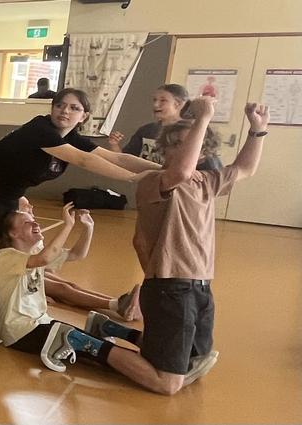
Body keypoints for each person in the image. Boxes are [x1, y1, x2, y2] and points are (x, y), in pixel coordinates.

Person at [0, 87, 162, 343]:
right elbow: (84, 161)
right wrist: (134, 179)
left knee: (4, 256)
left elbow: (116, 158)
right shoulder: (40, 129)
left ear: (84, 116)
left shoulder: (71, 137)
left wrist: (163, 170)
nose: (65, 111)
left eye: (74, 108)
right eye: (60, 105)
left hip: (8, 194)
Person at [86, 99, 267, 395]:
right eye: (174, 145)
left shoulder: (206, 181)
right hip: (170, 286)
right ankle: (87, 344)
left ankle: (111, 330)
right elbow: (180, 172)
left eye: (189, 144)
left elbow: (244, 168)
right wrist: (203, 119)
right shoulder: (155, 181)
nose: (181, 150)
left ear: (203, 152)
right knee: (168, 383)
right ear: (164, 150)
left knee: (196, 358)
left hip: (201, 283)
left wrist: (257, 131)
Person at [0, 204, 218, 395]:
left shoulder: (32, 253)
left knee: (108, 331)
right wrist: (68, 225)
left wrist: (88, 228)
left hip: (40, 323)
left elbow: (77, 254)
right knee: (93, 345)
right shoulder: (7, 257)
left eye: (34, 219)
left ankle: (167, 358)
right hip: (21, 332)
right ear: (13, 234)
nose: (35, 223)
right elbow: (47, 257)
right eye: (27, 222)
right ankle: (165, 379)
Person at [108, 84, 222, 171]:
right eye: (154, 100)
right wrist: (114, 145)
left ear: (178, 104)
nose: (156, 105)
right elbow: (124, 160)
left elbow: (212, 169)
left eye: (163, 100)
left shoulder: (190, 132)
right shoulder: (146, 130)